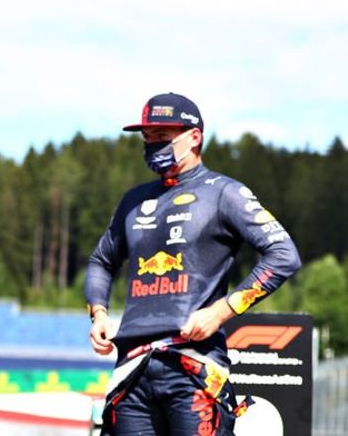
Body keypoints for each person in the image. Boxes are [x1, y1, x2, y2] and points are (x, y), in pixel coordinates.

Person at [85, 93, 301, 435]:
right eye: (147, 138)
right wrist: (98, 313)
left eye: (162, 136)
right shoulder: (133, 201)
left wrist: (221, 311)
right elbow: (101, 260)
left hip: (194, 369)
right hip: (132, 370)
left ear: (195, 136)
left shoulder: (224, 192)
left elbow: (284, 254)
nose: (152, 145)